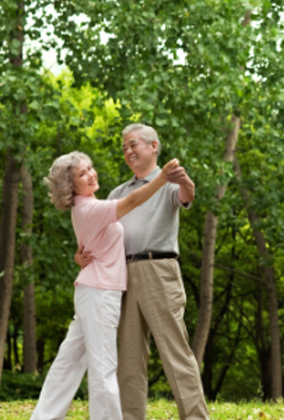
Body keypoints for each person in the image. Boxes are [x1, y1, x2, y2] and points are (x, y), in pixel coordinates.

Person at [31, 151, 179, 420]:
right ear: (70, 186)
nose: (91, 174)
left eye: (91, 168)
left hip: (93, 291)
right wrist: (162, 178)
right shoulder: (89, 209)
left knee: (69, 363)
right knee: (103, 368)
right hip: (100, 294)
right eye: (82, 174)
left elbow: (92, 244)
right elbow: (133, 200)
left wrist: (79, 255)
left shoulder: (87, 207)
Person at [75, 123, 209, 420]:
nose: (128, 151)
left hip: (159, 270)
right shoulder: (118, 192)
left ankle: (197, 417)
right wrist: (82, 255)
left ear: (153, 146)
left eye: (133, 144)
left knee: (175, 351)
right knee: (129, 358)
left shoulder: (170, 183)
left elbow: (187, 195)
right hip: (121, 275)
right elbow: (99, 234)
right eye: (124, 147)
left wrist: (186, 181)